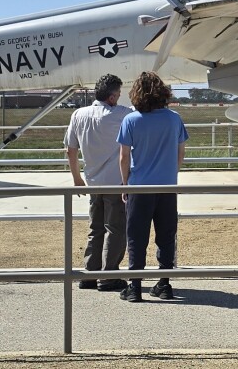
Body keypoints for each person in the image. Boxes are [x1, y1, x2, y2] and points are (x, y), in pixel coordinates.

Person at [116, 71, 189, 302]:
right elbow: (180, 154)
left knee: (137, 236)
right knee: (166, 235)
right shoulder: (174, 118)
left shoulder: (131, 120)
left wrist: (125, 185)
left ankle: (135, 286)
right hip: (167, 186)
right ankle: (165, 283)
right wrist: (171, 174)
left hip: (140, 187)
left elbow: (124, 157)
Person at [64, 74, 131, 291]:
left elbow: (70, 149)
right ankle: (108, 275)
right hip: (116, 182)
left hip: (92, 181)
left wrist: (77, 178)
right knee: (116, 229)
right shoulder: (121, 114)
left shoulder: (79, 114)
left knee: (95, 228)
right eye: (119, 95)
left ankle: (90, 274)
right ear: (112, 97)